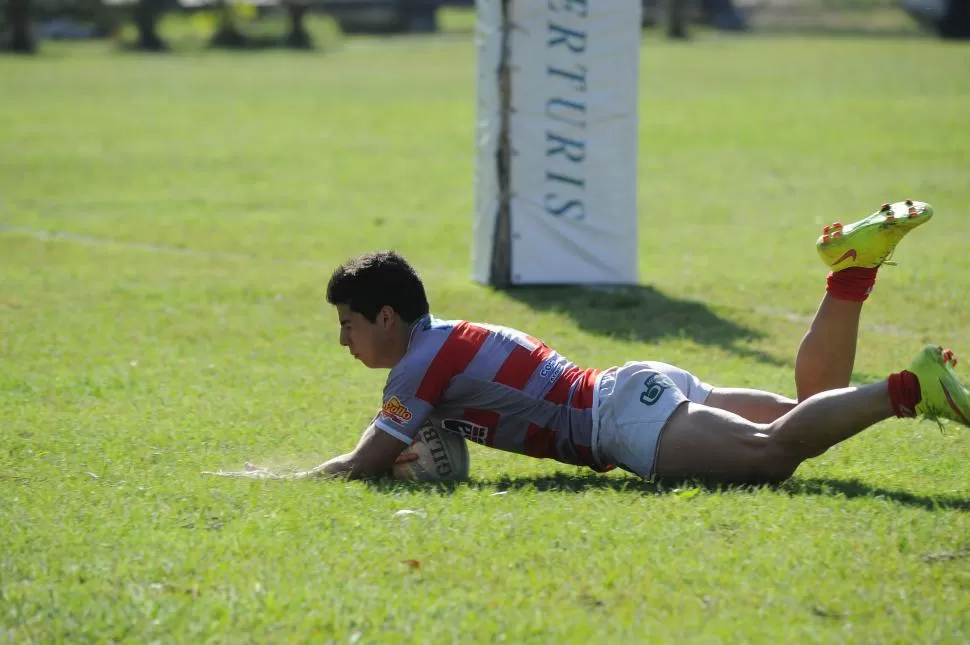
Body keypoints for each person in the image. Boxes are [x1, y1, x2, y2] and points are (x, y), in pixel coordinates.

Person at [210, 199, 970, 484]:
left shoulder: (418, 366)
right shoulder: (444, 344)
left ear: (384, 315)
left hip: (620, 418)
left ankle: (912, 389)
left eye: (346, 323)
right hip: (631, 387)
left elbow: (362, 463)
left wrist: (273, 479)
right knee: (812, 409)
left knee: (773, 453)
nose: (341, 341)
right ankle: (849, 274)